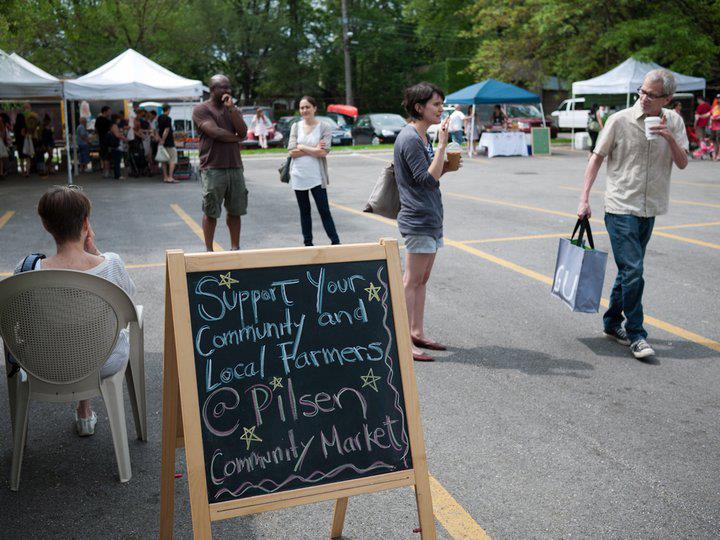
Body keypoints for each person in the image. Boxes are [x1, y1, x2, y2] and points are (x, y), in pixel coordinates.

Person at [577, 69, 688, 360]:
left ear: (667, 98)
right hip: (620, 206)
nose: (644, 98)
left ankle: (612, 322)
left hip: (649, 207)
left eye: (652, 95)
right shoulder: (619, 120)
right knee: (634, 270)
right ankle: (637, 334)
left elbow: (683, 162)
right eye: (642, 91)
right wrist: (584, 199)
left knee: (628, 270)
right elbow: (596, 158)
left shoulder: (674, 121)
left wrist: (669, 138)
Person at [14, 186, 136, 436]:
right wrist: (97, 253)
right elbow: (130, 305)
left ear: (46, 225)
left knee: (68, 330)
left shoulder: (25, 271)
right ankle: (85, 409)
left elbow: (15, 321)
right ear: (85, 223)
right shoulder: (111, 265)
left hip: (43, 364)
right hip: (102, 362)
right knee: (90, 332)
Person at [394, 82, 460, 362]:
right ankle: (403, 341)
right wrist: (443, 146)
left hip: (430, 215)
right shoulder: (409, 138)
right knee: (411, 281)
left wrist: (445, 162)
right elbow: (425, 180)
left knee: (422, 279)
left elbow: (430, 178)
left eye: (441, 104)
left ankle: (416, 331)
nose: (441, 109)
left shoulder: (422, 137)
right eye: (436, 104)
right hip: (418, 218)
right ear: (419, 107)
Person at [192, 74, 249, 251]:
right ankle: (209, 250)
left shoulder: (232, 109)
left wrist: (232, 109)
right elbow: (215, 132)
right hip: (212, 168)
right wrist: (237, 139)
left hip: (235, 167)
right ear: (212, 89)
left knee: (235, 211)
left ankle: (235, 248)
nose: (226, 91)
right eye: (222, 87)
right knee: (211, 212)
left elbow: (243, 131)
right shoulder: (202, 109)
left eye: (228, 87)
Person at [287, 96, 340, 246]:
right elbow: (291, 151)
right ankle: (308, 243)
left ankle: (335, 242)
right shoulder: (295, 127)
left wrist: (302, 146)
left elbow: (324, 152)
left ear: (315, 108)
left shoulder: (324, 127)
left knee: (324, 210)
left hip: (317, 177)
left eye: (307, 107)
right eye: (302, 108)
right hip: (299, 175)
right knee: (304, 212)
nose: (305, 110)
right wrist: (313, 149)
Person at [157, 103, 178, 183]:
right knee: (173, 159)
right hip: (168, 141)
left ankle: (165, 177)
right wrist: (163, 139)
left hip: (162, 142)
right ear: (168, 109)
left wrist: (160, 140)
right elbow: (167, 130)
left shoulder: (159, 117)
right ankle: (170, 177)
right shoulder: (168, 118)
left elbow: (158, 129)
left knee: (164, 160)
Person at [106, 114, 127, 180]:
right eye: (119, 119)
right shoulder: (114, 125)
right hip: (116, 146)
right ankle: (118, 175)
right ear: (116, 119)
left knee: (116, 161)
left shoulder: (112, 125)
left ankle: (117, 174)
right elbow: (117, 135)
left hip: (114, 146)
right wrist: (124, 138)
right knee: (117, 161)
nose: (120, 120)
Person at [95, 106, 112, 178]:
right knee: (106, 156)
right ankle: (107, 172)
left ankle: (105, 171)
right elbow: (111, 130)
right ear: (105, 111)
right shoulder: (107, 121)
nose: (110, 112)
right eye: (109, 111)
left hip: (101, 140)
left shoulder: (98, 119)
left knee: (103, 156)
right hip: (107, 140)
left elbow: (96, 129)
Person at [13, 111, 28, 176]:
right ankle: (26, 171)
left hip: (18, 143)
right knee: (27, 157)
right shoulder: (24, 125)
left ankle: (22, 172)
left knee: (21, 158)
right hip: (24, 142)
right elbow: (23, 134)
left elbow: (15, 135)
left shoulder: (15, 126)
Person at [710, 95, 720, 162]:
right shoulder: (715, 107)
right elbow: (710, 114)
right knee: (714, 141)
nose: (718, 99)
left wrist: (717, 118)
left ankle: (719, 155)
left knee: (719, 141)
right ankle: (715, 154)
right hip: (713, 126)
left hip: (719, 126)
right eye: (718, 98)